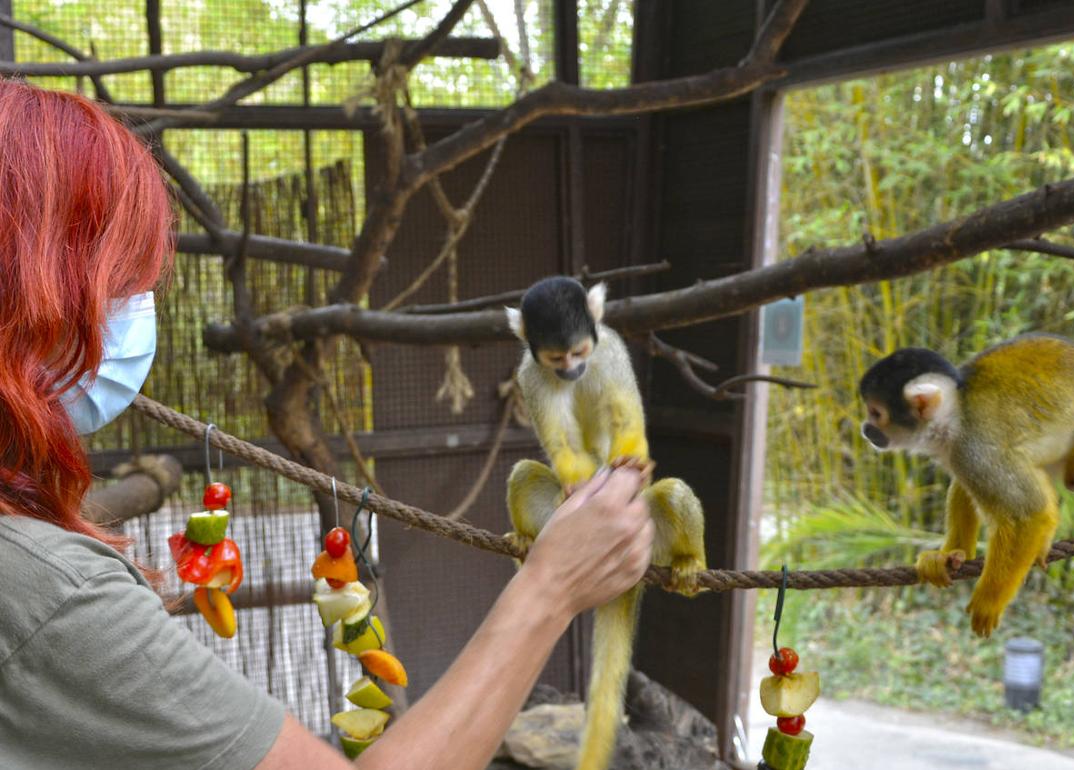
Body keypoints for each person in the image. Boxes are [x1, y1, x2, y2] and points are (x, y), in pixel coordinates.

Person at [0, 79, 656, 770]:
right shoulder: (46, 590)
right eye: (121, 287)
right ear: (34, 301)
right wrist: (550, 587)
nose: (139, 308)